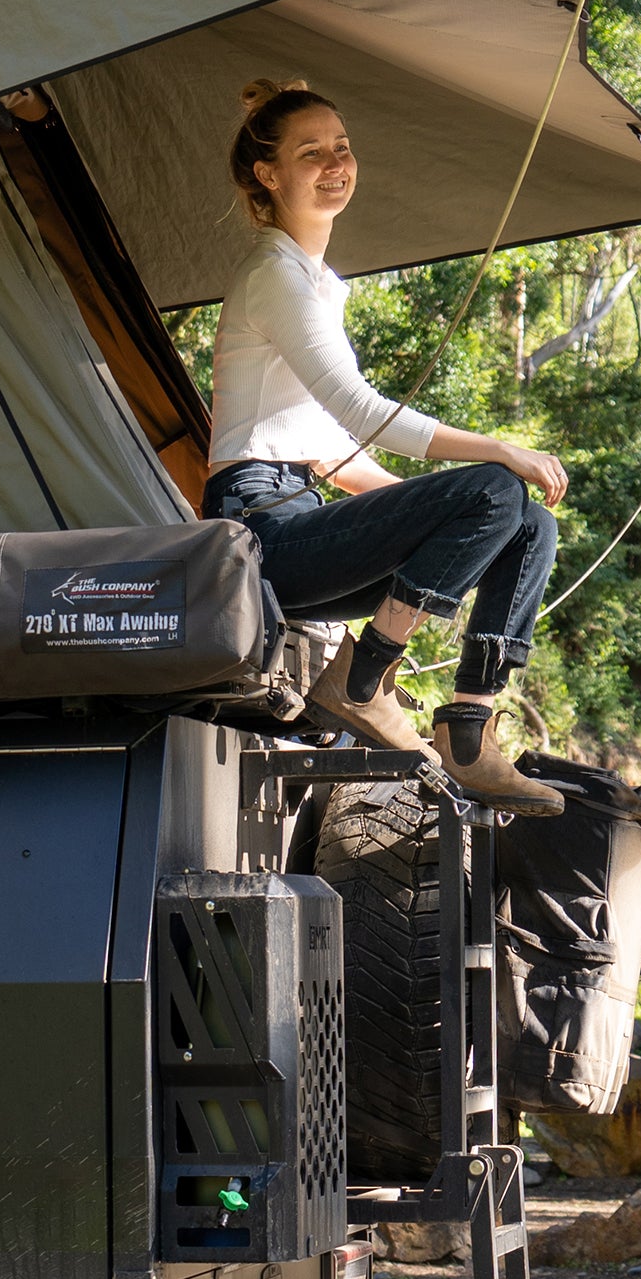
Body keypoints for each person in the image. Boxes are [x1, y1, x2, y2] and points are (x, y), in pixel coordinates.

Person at [203, 78, 566, 816]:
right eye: (312, 154)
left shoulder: (315, 283)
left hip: (306, 510)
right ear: (268, 175)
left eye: (342, 147)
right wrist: (497, 452)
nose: (336, 164)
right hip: (263, 529)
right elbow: (364, 413)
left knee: (527, 522)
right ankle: (363, 680)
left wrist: (455, 518)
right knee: (495, 488)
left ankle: (468, 725)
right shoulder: (274, 274)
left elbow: (338, 450)